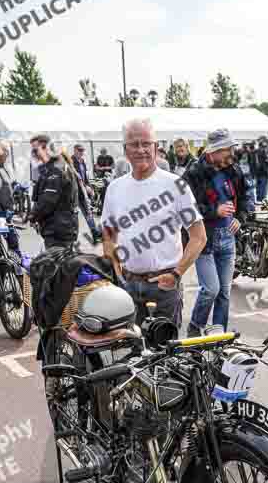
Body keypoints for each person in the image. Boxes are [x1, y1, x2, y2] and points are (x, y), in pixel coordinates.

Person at [101, 119, 206, 327]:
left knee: (164, 356)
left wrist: (176, 274)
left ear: (156, 147)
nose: (141, 150)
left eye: (146, 143)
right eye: (134, 144)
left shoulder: (175, 185)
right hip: (127, 287)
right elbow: (108, 234)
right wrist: (115, 269)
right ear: (125, 150)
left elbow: (199, 237)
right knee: (132, 354)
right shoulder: (115, 188)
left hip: (164, 288)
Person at [184, 127, 249, 335]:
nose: (232, 153)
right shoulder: (193, 172)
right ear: (214, 151)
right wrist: (215, 211)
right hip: (204, 239)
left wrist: (240, 217)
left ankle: (219, 333)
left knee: (224, 292)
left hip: (228, 238)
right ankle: (195, 328)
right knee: (211, 290)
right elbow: (185, 209)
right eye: (227, 149)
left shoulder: (233, 168)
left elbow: (247, 195)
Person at [29, 134, 79, 249]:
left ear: (45, 148)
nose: (34, 154)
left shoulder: (56, 169)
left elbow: (47, 201)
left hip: (59, 230)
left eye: (35, 150)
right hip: (60, 228)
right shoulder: (52, 167)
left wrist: (32, 216)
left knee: (56, 265)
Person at [72, 144, 100, 244]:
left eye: (82, 151)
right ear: (74, 150)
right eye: (79, 150)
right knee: (73, 217)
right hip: (73, 194)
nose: (81, 152)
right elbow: (74, 178)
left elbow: (85, 176)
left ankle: (95, 235)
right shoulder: (70, 161)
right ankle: (73, 240)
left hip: (83, 193)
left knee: (89, 214)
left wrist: (88, 186)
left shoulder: (82, 161)